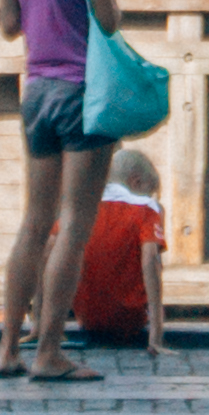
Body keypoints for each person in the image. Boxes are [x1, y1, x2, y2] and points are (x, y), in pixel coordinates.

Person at [0, 0, 130, 384]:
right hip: (82, 91)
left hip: (37, 91)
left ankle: (7, 349)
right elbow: (109, 19)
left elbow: (9, 26)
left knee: (34, 222)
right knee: (74, 225)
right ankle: (49, 350)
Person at [66, 130, 171, 357]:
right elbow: (150, 261)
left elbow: (48, 249)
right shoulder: (146, 207)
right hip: (129, 319)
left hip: (85, 316)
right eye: (148, 190)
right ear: (136, 181)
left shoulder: (82, 205)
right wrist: (157, 330)